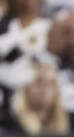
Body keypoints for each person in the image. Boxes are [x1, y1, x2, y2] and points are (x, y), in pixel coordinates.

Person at [0, 0, 50, 129]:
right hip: (10, 91)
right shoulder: (3, 27)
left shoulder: (48, 27)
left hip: (40, 89)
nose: (26, 2)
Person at [11, 61, 70, 135]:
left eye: (51, 83)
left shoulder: (72, 124)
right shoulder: (9, 122)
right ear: (24, 86)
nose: (45, 89)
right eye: (38, 81)